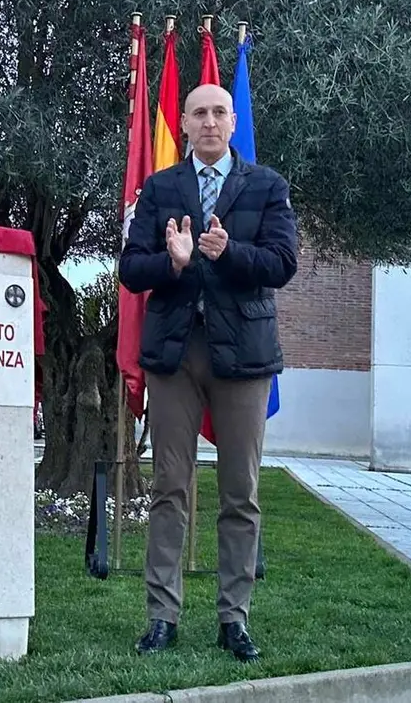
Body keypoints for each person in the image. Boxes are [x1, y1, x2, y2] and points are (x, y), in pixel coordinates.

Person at [118, 84, 297, 662]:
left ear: (232, 121)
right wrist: (172, 263)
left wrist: (229, 254)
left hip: (242, 357)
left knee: (240, 492)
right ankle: (161, 617)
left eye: (221, 112)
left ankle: (233, 620)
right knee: (170, 487)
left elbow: (282, 264)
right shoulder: (161, 187)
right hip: (175, 354)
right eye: (199, 113)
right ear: (186, 124)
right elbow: (130, 270)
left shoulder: (267, 186)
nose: (211, 122)